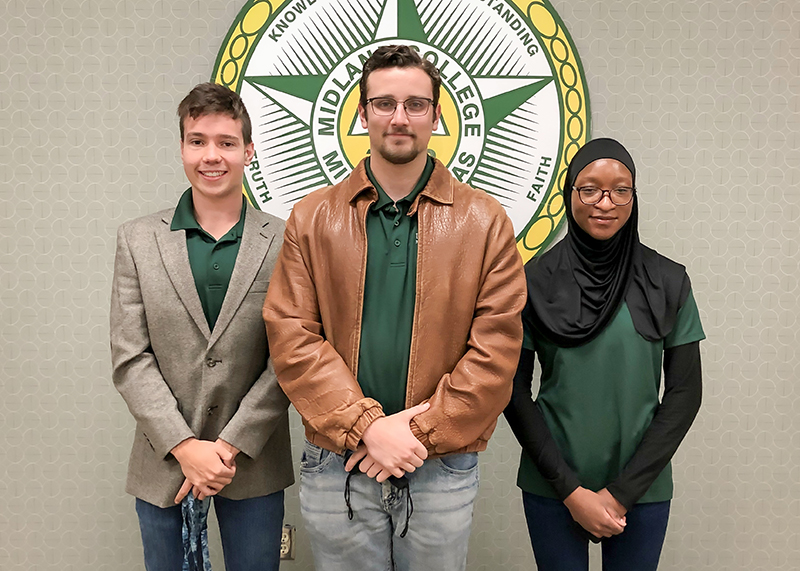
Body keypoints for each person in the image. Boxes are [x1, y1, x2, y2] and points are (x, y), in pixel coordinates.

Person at [263, 45, 526, 571]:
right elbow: (291, 336)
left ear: (437, 114)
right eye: (383, 104)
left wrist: (413, 434)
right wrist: (368, 428)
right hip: (337, 461)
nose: (399, 118)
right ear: (361, 114)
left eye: (415, 104)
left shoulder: (484, 220)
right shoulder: (312, 218)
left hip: (441, 465)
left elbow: (496, 350)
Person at [110, 82, 293, 571]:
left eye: (227, 143)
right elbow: (131, 358)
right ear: (182, 148)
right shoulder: (137, 239)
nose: (212, 155)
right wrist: (185, 446)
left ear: (248, 151)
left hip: (252, 460)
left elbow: (292, 356)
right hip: (163, 458)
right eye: (198, 141)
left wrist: (228, 446)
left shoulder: (285, 240)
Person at [504, 137, 705, 570]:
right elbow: (513, 391)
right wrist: (571, 492)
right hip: (553, 483)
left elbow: (686, 393)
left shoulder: (669, 281)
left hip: (641, 486)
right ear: (569, 193)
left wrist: (621, 493)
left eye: (620, 190)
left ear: (634, 196)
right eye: (590, 188)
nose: (605, 202)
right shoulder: (533, 282)